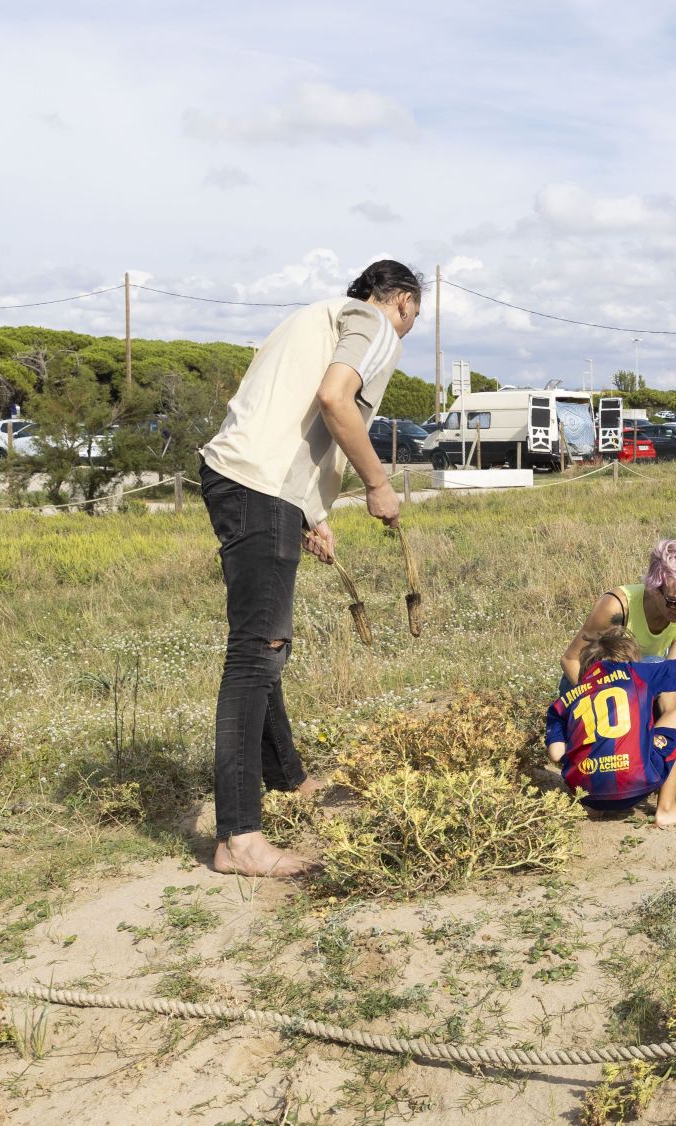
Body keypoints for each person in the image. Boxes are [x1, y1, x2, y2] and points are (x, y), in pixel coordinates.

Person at [196, 259, 420, 877]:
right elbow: (333, 399)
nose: (408, 326)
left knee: (262, 644)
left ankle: (288, 779)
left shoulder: (314, 317)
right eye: (414, 316)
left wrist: (307, 512)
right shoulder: (375, 323)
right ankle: (238, 839)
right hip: (260, 487)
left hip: (244, 481)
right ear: (403, 301)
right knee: (256, 653)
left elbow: (285, 415)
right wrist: (377, 483)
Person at [563, 538, 676, 760]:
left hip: (644, 689)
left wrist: (671, 724)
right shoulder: (617, 606)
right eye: (674, 602)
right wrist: (601, 707)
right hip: (594, 689)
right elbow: (570, 660)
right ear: (654, 587)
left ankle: (644, 745)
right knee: (654, 663)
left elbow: (670, 676)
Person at [546, 630, 676, 828]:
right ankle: (667, 808)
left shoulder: (563, 702)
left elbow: (556, 754)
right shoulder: (635, 672)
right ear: (629, 658)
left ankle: (596, 805)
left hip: (586, 794)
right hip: (636, 785)